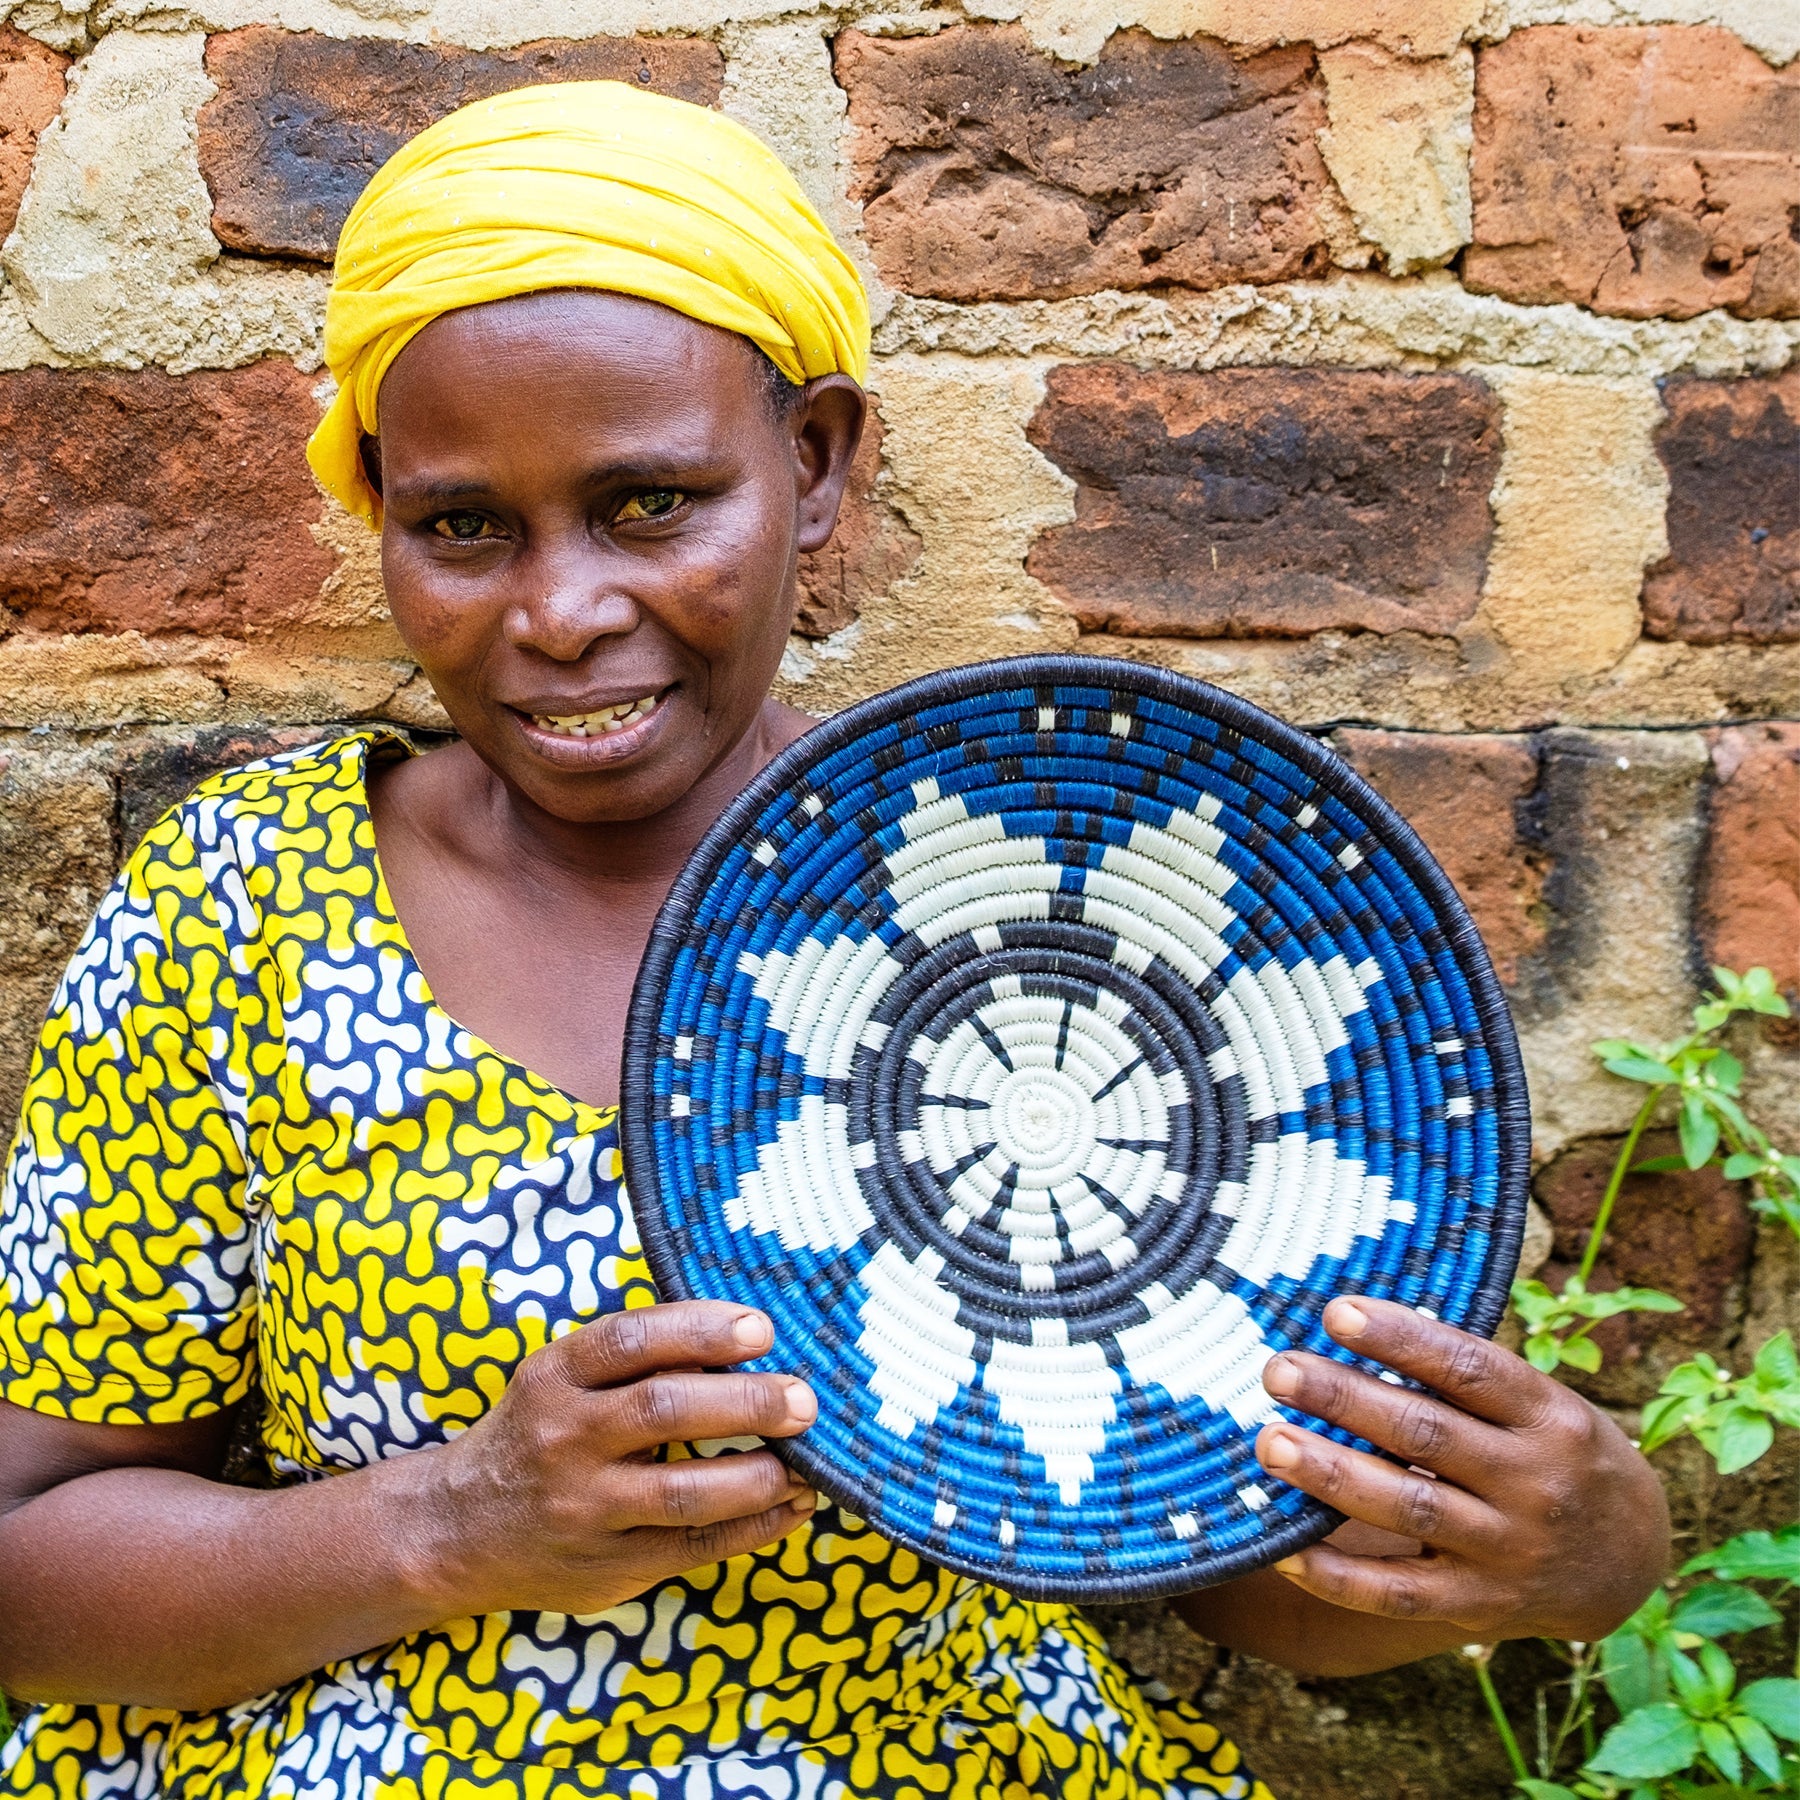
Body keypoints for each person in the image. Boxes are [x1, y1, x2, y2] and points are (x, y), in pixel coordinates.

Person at [0, 80, 1668, 1800]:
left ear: (815, 466)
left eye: (651, 504)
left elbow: (1253, 1574)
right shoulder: (248, 907)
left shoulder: (1063, 908)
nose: (563, 612)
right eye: (461, 527)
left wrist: (1550, 1557)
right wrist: (448, 1520)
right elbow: (26, 1556)